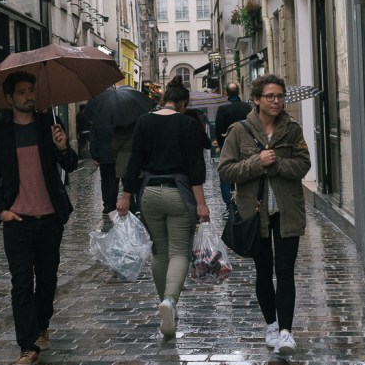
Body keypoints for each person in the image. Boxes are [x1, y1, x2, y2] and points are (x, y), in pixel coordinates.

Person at [0, 71, 78, 365]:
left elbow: (71, 165)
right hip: (17, 221)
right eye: (22, 92)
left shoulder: (48, 125)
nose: (29, 96)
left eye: (32, 90)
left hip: (49, 217)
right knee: (21, 283)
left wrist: (62, 146)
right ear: (10, 98)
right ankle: (27, 346)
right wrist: (2, 211)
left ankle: (42, 324)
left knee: (47, 280)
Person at [218, 74, 311, 357]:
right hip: (254, 214)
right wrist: (257, 163)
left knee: (285, 272)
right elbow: (226, 170)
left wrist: (278, 163)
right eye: (270, 96)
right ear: (256, 99)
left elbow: (303, 165)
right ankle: (271, 325)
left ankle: (286, 332)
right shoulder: (239, 131)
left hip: (286, 211)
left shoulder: (292, 130)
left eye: (280, 96)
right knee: (263, 272)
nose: (276, 101)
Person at [116, 79, 210, 339]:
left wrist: (125, 197)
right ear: (182, 104)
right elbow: (195, 168)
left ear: (164, 99)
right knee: (179, 251)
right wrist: (201, 203)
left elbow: (134, 162)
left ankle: (165, 305)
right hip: (178, 192)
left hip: (149, 194)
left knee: (159, 251)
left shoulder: (144, 122)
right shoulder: (188, 124)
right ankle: (169, 301)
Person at [212, 83, 253, 207]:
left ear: (226, 94)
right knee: (246, 169)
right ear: (239, 92)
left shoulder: (223, 108)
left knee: (225, 173)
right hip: (247, 146)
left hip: (228, 145)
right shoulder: (247, 107)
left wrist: (221, 144)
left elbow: (218, 129)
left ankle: (228, 201)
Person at [88, 119, 119, 220]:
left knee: (105, 180)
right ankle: (112, 204)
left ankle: (106, 204)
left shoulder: (96, 122)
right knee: (114, 180)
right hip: (114, 155)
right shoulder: (116, 121)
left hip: (102, 156)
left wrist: (95, 156)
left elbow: (92, 140)